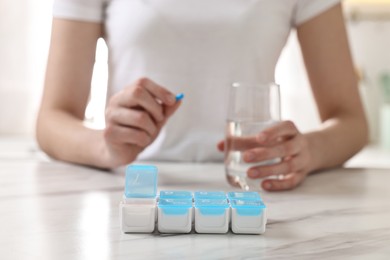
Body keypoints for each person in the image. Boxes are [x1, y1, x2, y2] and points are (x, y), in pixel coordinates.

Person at [36, 0, 368, 192]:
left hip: (252, 188)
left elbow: (351, 121)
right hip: (132, 190)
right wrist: (104, 146)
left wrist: (308, 151)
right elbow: (51, 119)